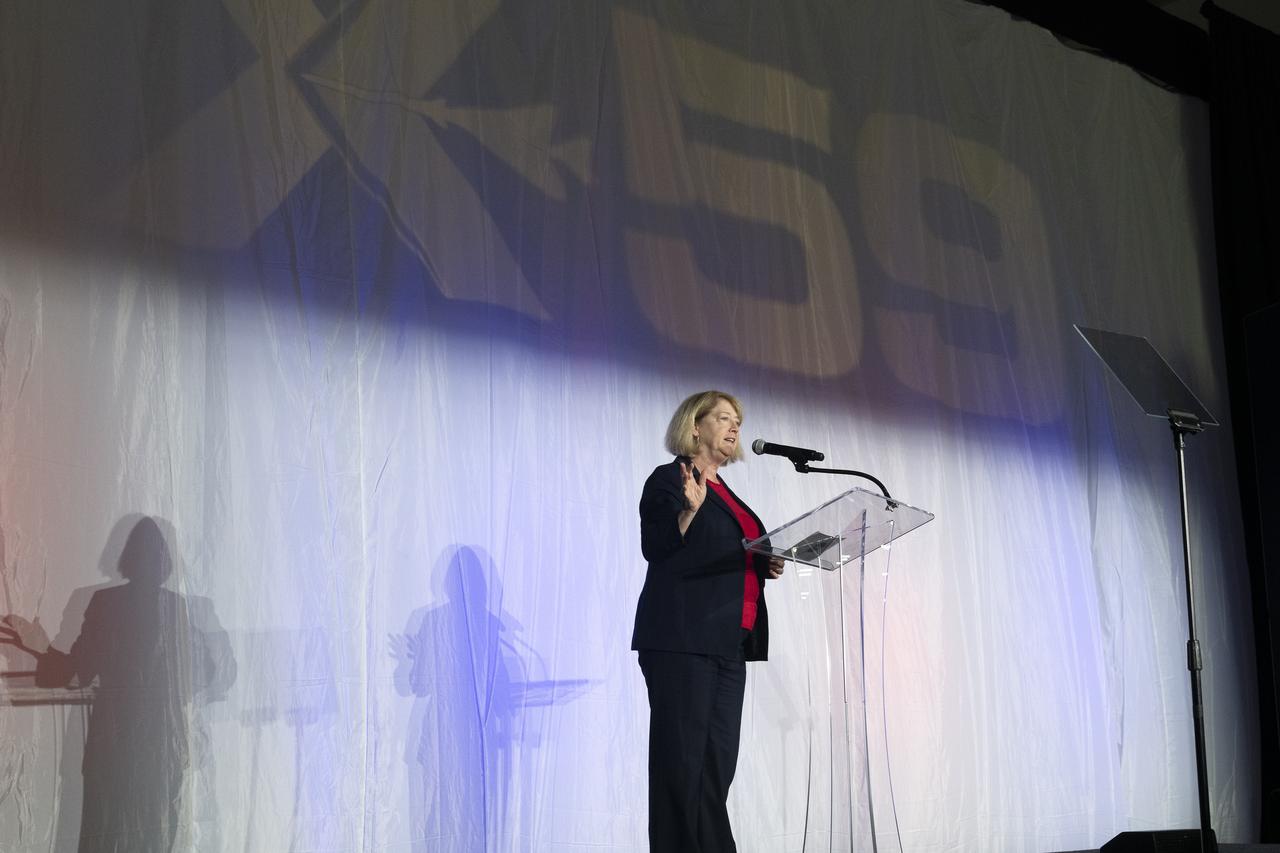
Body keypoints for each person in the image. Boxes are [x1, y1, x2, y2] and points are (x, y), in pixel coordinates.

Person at [631, 390, 785, 852]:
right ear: (694, 426)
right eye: (723, 417)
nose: (735, 426)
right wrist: (688, 511)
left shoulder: (727, 491)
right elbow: (656, 547)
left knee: (715, 770)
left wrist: (764, 562)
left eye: (738, 419)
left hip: (728, 646)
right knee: (681, 770)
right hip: (682, 642)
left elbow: (724, 554)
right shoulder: (670, 479)